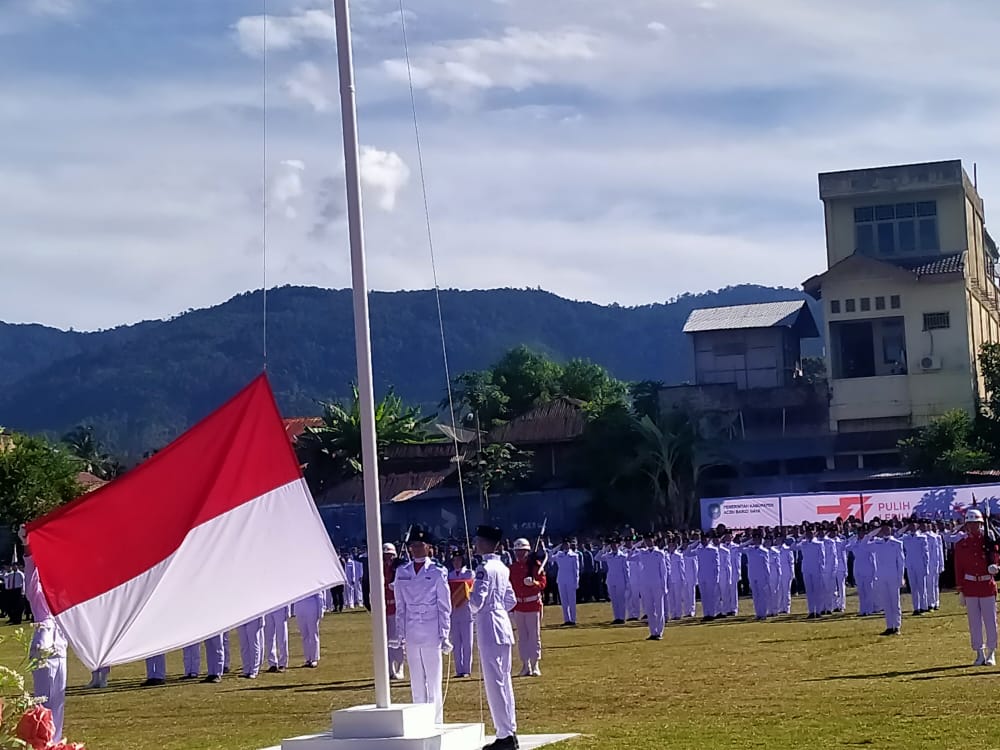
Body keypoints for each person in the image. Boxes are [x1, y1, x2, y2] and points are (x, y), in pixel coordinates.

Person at [393, 528, 452, 725]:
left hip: (431, 628)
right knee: (416, 679)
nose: (416, 549)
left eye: (420, 545)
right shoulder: (402, 572)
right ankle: (420, 720)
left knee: (434, 679)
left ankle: (436, 721)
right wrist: (400, 634)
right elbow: (400, 606)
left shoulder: (437, 571)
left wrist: (444, 634)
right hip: (411, 629)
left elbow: (444, 606)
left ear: (428, 547)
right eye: (413, 546)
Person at [470, 525, 518, 750]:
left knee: (495, 682)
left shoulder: (484, 568)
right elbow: (511, 600)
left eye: (478, 540)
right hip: (503, 624)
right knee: (504, 680)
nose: (475, 544)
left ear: (486, 543)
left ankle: (504, 735)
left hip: (489, 626)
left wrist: (467, 601)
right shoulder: (502, 567)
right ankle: (510, 730)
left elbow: (476, 601)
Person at [21, 526, 68, 744]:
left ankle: (54, 741)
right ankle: (41, 740)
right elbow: (31, 575)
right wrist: (29, 548)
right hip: (43, 648)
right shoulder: (37, 593)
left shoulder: (61, 595)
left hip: (60, 647)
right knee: (44, 700)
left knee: (58, 698)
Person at [954, 508, 998, 665]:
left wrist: (996, 567)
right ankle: (979, 652)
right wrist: (960, 589)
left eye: (976, 524)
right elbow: (959, 567)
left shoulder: (989, 541)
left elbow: (996, 558)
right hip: (970, 586)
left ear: (981, 525)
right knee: (974, 622)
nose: (973, 527)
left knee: (990, 621)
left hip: (986, 585)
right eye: (970, 524)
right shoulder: (961, 545)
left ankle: (991, 652)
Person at [509, 537, 546, 676]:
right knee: (522, 637)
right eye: (517, 551)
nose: (519, 554)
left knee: (534, 636)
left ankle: (535, 664)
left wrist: (534, 583)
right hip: (519, 606)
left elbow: (543, 584)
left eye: (522, 551)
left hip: (533, 605)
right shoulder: (512, 568)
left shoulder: (536, 566)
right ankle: (525, 665)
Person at [869, 521, 905, 636]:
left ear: (891, 529)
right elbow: (864, 544)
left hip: (893, 576)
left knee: (895, 602)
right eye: (883, 529)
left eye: (887, 528)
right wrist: (874, 532)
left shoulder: (897, 543)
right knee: (886, 603)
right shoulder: (877, 543)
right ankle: (889, 626)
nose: (885, 531)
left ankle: (897, 626)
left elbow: (901, 562)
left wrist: (901, 577)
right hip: (881, 576)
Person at [448, 550, 476, 678]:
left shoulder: (470, 573)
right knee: (456, 642)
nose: (456, 563)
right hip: (454, 611)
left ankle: (466, 669)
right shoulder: (450, 575)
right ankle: (459, 669)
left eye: (459, 560)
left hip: (466, 611)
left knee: (467, 642)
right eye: (454, 560)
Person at [635, 533, 667, 640]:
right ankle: (653, 632)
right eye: (646, 540)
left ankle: (659, 632)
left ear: (654, 540)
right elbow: (629, 557)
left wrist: (664, 586)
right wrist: (638, 544)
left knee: (659, 608)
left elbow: (664, 571)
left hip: (657, 583)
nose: (648, 542)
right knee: (649, 609)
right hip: (646, 584)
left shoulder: (660, 553)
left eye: (650, 540)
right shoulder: (642, 553)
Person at [383, 542, 406, 680]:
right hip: (384, 609)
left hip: (396, 609)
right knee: (385, 641)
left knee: (398, 640)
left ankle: (400, 667)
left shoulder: (399, 569)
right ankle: (390, 667)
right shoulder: (380, 569)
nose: (388, 559)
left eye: (390, 556)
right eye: (386, 556)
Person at [553, 538, 580, 626]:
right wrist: (557, 547)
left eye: (567, 544)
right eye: (564, 544)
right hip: (561, 579)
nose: (566, 546)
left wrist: (576, 581)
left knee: (571, 601)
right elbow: (549, 557)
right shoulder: (559, 554)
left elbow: (576, 570)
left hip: (571, 579)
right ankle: (566, 620)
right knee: (564, 601)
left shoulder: (574, 555)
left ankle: (573, 619)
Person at [264, 604, 291, 673]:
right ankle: (272, 663)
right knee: (269, 636)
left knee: (281, 635)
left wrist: (288, 609)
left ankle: (283, 663)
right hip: (268, 607)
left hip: (280, 607)